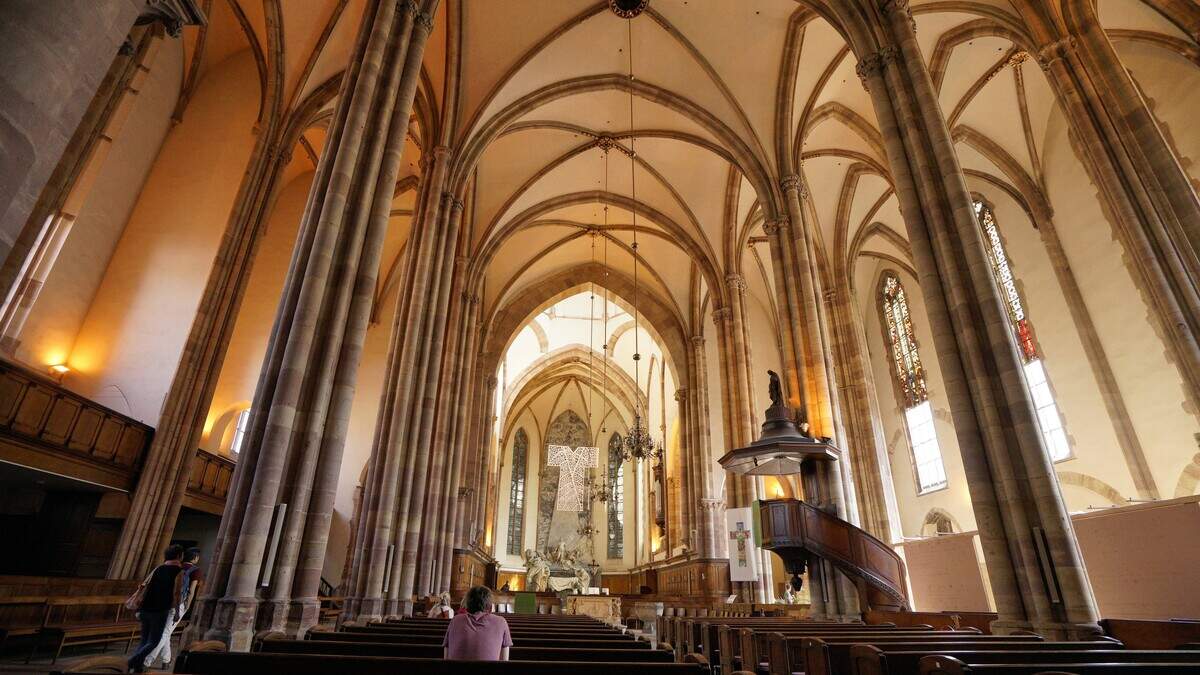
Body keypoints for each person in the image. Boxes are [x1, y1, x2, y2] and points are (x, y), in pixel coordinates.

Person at [144, 546, 205, 669]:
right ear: (195, 558)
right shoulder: (195, 571)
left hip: (162, 602)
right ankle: (146, 661)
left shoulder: (175, 566)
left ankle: (166, 660)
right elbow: (191, 591)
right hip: (178, 604)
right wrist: (187, 606)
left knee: (166, 632)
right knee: (164, 633)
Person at [128, 545, 184, 673]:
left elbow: (145, 585)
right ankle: (132, 661)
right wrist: (177, 611)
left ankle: (138, 668)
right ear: (178, 556)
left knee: (144, 640)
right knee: (154, 641)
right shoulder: (178, 571)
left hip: (146, 607)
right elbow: (177, 593)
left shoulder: (159, 568)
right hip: (160, 609)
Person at [442, 586, 511, 661]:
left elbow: (446, 657)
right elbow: (504, 661)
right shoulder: (501, 622)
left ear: (468, 602)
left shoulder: (455, 621)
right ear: (490, 605)